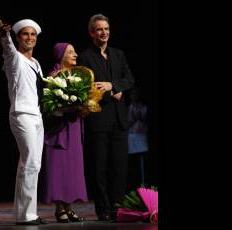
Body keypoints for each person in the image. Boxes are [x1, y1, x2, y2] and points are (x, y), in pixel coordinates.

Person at [77, 14, 135, 221]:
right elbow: (86, 87)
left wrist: (114, 86)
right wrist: (111, 92)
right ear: (92, 33)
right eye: (100, 29)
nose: (104, 33)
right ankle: (103, 209)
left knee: (119, 166)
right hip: (98, 118)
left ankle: (117, 207)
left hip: (119, 119)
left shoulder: (118, 54)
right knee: (99, 166)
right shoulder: (84, 57)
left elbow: (129, 79)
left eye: (107, 29)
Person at [0, 18, 49, 225]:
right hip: (22, 113)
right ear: (18, 38)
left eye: (33, 35)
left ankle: (27, 213)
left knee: (34, 164)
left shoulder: (36, 63)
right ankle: (25, 215)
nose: (30, 38)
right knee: (29, 161)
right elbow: (8, 48)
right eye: (25, 34)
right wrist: (4, 35)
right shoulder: (14, 58)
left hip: (37, 115)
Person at [42, 43, 87, 223]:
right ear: (60, 55)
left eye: (75, 51)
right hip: (58, 130)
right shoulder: (54, 77)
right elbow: (48, 104)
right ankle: (59, 207)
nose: (75, 54)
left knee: (72, 169)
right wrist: (67, 106)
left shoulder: (77, 76)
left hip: (74, 127)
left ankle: (68, 207)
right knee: (59, 168)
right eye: (70, 52)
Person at [126, 88, 148, 191]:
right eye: (132, 95)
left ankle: (143, 185)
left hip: (141, 134)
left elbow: (145, 118)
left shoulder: (143, 106)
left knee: (141, 161)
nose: (133, 97)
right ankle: (132, 185)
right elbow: (128, 121)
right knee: (132, 161)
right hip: (132, 135)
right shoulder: (130, 107)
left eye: (135, 94)